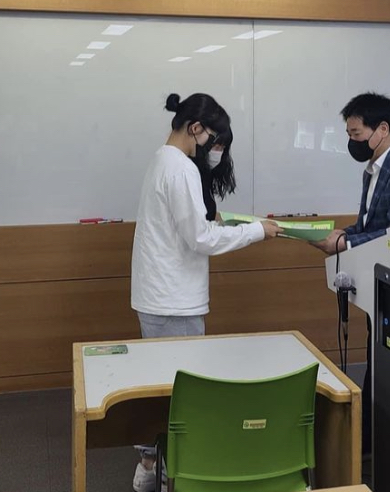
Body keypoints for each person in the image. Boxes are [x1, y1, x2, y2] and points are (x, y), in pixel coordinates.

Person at [130, 94, 281, 491]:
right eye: (213, 139)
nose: (214, 149)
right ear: (195, 128)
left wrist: (231, 224)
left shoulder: (162, 159)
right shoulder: (181, 168)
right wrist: (255, 231)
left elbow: (188, 226)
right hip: (174, 300)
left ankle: (152, 464)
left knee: (163, 389)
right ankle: (172, 474)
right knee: (183, 398)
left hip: (159, 295)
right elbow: (200, 239)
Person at [309, 92, 390, 457]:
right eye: (349, 134)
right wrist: (344, 234)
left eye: (357, 134)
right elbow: (370, 225)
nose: (352, 142)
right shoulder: (373, 170)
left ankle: (387, 449)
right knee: (378, 362)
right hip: (379, 287)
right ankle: (368, 446)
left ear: (382, 129)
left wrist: (346, 242)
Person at [192, 126, 236, 222]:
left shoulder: (208, 174)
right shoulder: (191, 174)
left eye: (222, 148)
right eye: (215, 147)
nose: (218, 153)